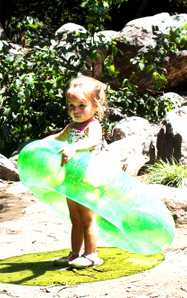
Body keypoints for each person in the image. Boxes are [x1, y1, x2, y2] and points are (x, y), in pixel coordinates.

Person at [45, 75, 107, 268]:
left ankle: (91, 255)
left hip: (89, 179)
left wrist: (74, 147)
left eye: (81, 105)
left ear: (96, 106)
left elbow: (92, 141)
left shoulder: (93, 126)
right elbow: (56, 138)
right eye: (71, 106)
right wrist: (40, 145)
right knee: (75, 218)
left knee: (88, 218)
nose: (75, 110)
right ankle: (74, 253)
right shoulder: (71, 126)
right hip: (72, 178)